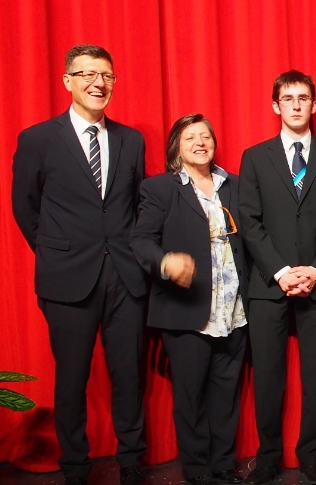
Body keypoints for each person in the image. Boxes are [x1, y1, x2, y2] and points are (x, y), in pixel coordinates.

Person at [11, 44, 149, 485]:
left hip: (126, 278)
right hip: (67, 279)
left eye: (106, 75)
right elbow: (24, 206)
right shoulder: (37, 139)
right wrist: (57, 251)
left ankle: (132, 459)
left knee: (128, 375)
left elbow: (137, 206)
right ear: (68, 81)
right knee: (71, 380)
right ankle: (75, 466)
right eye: (88, 74)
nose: (98, 83)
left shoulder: (131, 140)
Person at [130, 114, 249, 485]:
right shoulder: (160, 189)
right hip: (186, 311)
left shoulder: (235, 185)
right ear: (176, 149)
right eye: (190, 138)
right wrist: (165, 262)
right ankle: (198, 470)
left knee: (226, 394)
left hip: (233, 309)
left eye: (205, 136)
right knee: (191, 395)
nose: (200, 142)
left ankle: (223, 464)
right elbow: (141, 240)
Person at [238, 70, 316, 485]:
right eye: (288, 98)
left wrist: (315, 269)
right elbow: (249, 221)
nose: (296, 105)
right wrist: (281, 272)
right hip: (269, 284)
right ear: (275, 105)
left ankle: (311, 456)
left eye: (303, 98)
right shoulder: (254, 157)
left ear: (314, 105)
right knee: (268, 375)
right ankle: (268, 457)